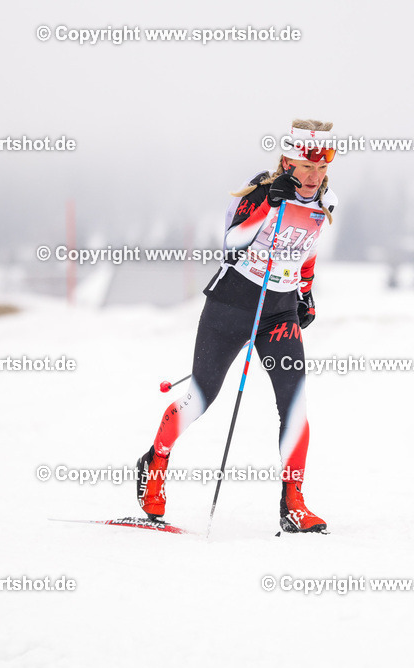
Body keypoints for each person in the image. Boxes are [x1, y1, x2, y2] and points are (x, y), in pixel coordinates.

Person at [136, 119, 338, 533]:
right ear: (287, 162)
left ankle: (293, 503)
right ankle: (155, 460)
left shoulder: (326, 201)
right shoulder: (261, 192)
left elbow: (308, 248)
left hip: (278, 311)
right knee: (200, 397)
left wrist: (306, 290)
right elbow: (231, 243)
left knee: (295, 403)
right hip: (231, 304)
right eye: (305, 167)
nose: (313, 177)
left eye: (321, 169)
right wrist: (268, 205)